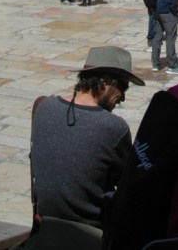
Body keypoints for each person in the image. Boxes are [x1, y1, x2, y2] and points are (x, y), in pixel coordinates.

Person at [29, 46, 145, 235]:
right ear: (105, 82)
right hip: (90, 233)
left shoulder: (44, 107)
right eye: (122, 87)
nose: (122, 97)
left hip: (46, 226)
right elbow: (127, 182)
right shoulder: (113, 127)